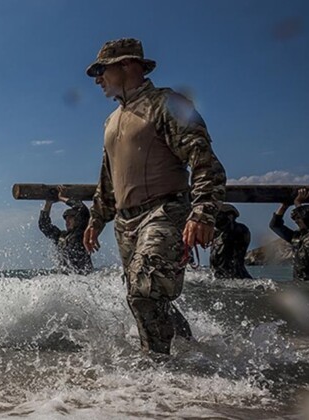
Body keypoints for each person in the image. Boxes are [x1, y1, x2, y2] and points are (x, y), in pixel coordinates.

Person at [82, 38, 227, 354]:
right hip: (125, 222)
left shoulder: (166, 104)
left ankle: (156, 372)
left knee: (144, 293)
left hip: (165, 211)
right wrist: (96, 219)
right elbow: (108, 178)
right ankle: (193, 354)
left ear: (126, 65)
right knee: (145, 294)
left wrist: (202, 211)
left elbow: (203, 159)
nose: (97, 79)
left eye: (101, 70)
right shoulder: (111, 120)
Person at [39, 186, 92, 274]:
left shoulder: (81, 233)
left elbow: (82, 209)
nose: (67, 221)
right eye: (66, 219)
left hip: (83, 278)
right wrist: (48, 203)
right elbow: (44, 225)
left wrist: (61, 198)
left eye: (71, 218)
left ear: (78, 220)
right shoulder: (60, 236)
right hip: (66, 280)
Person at [269, 188, 309, 281]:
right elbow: (275, 225)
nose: (296, 220)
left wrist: (297, 202)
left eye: (298, 217)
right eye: (295, 217)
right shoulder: (296, 237)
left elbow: (308, 219)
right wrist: (284, 206)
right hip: (299, 283)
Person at [209, 204, 252, 279]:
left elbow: (231, 234)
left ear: (230, 216)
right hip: (218, 277)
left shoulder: (239, 229)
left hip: (236, 277)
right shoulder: (216, 233)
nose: (215, 218)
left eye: (218, 215)